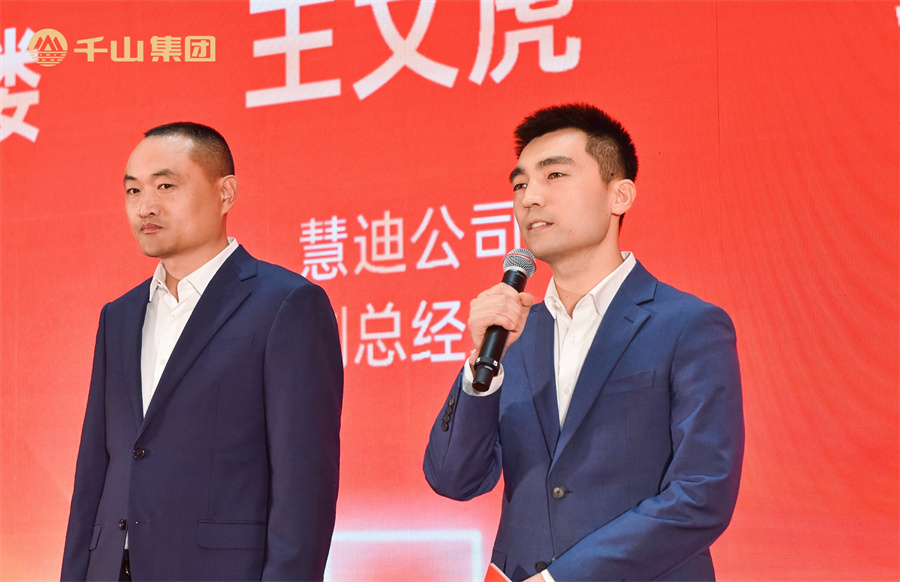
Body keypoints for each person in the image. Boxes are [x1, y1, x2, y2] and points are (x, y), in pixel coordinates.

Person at [424, 104, 743, 581]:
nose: (530, 198)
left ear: (620, 195)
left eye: (555, 175)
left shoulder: (688, 325)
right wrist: (479, 367)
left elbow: (702, 494)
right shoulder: (513, 334)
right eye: (520, 184)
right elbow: (453, 478)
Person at [61, 122, 343, 581]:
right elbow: (95, 470)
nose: (145, 206)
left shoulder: (286, 305)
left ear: (225, 193)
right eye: (133, 191)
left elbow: (304, 483)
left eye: (165, 186)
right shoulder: (118, 316)